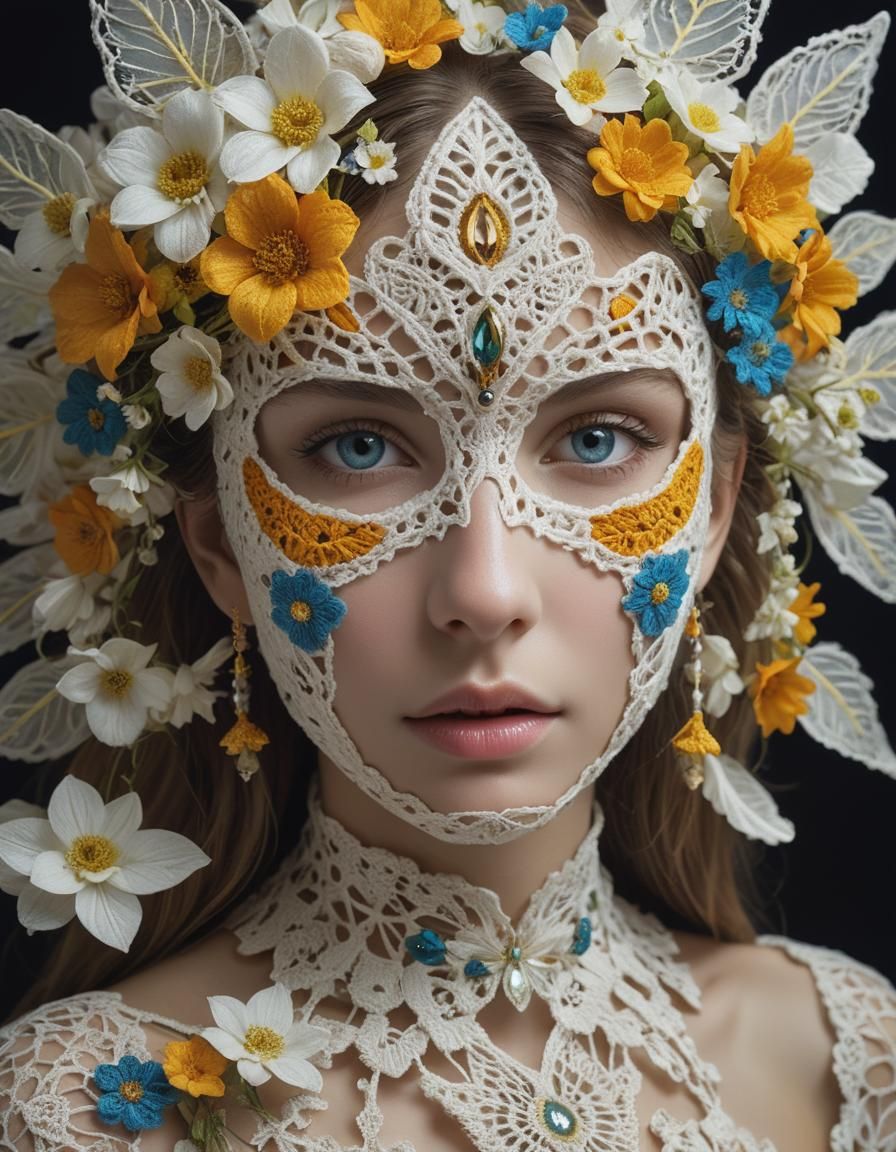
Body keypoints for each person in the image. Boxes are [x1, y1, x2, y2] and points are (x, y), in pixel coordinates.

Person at [0, 1, 894, 1148]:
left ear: (715, 509)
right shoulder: (90, 1114)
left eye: (594, 440)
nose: (483, 591)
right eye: (357, 448)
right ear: (216, 537)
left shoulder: (848, 1063)